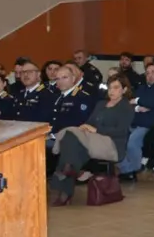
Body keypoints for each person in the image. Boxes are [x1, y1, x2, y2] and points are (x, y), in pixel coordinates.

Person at [48, 75, 136, 205]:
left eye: (116, 88)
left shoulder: (126, 107)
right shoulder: (101, 104)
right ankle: (70, 170)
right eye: (110, 87)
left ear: (124, 90)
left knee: (71, 134)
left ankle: (65, 181)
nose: (111, 91)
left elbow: (120, 131)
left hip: (111, 144)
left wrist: (96, 130)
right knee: (73, 142)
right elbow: (89, 122)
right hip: (92, 141)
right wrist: (85, 127)